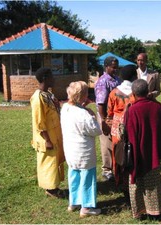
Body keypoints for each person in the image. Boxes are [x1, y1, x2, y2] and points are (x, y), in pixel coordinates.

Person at [126, 79, 161, 219]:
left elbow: (127, 132)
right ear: (148, 92)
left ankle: (140, 212)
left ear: (133, 93)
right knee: (154, 181)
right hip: (153, 151)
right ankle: (155, 211)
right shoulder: (157, 106)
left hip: (137, 152)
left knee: (137, 183)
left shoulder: (132, 110)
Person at [61, 81, 102, 217]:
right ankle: (86, 207)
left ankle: (73, 202)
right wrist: (92, 115)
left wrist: (82, 107)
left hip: (70, 149)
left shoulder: (65, 108)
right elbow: (96, 130)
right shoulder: (83, 114)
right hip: (83, 151)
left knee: (74, 175)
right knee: (87, 177)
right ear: (83, 95)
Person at [30, 67, 66, 198]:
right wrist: (47, 140)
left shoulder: (49, 95)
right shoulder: (38, 97)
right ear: (45, 78)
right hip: (46, 138)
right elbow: (39, 121)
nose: (54, 79)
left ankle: (54, 187)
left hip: (54, 134)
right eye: (52, 76)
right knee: (48, 163)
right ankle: (51, 189)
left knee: (54, 161)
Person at [107, 65, 137, 189]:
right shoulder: (136, 92)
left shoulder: (114, 93)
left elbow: (109, 113)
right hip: (131, 125)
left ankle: (119, 180)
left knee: (118, 153)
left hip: (116, 128)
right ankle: (131, 180)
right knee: (131, 152)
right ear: (134, 76)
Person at [95, 56, 122, 181]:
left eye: (117, 67)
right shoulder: (102, 81)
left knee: (115, 141)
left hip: (115, 116)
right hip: (105, 116)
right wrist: (105, 120)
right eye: (113, 67)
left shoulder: (117, 79)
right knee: (106, 143)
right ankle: (107, 170)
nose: (116, 69)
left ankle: (116, 166)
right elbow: (101, 103)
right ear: (106, 67)